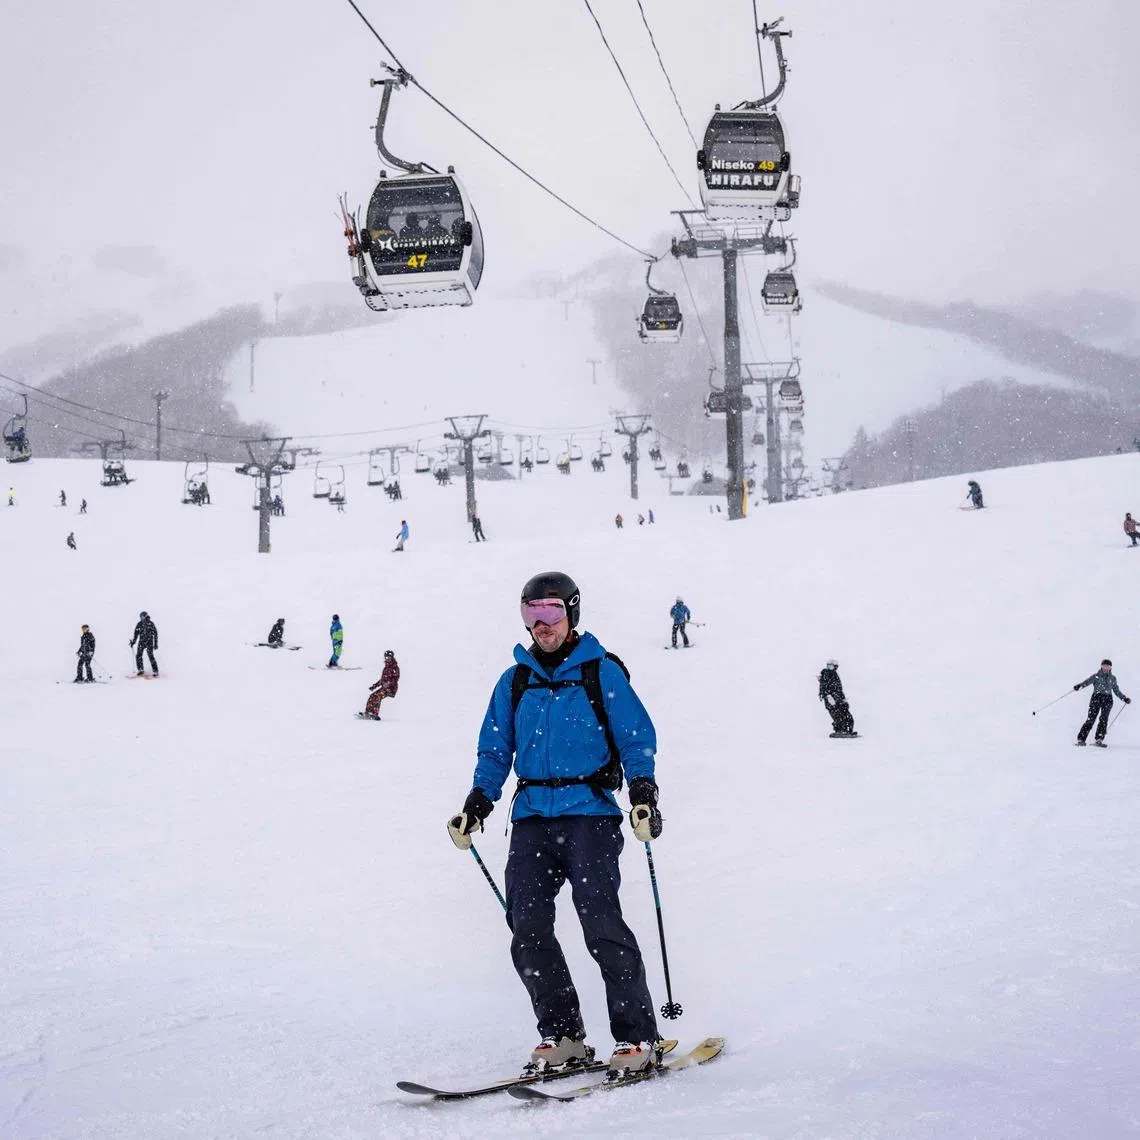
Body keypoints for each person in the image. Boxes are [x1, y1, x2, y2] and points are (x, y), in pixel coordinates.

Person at [447, 571, 664, 1077]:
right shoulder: (515, 680)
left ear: (572, 614)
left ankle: (637, 1037)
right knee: (526, 927)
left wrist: (644, 794)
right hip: (531, 820)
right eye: (531, 614)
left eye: (551, 613)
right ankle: (562, 1034)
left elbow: (636, 738)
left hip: (589, 814)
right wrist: (477, 804)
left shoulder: (601, 672)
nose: (541, 625)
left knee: (600, 921)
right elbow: (495, 749)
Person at [1074, 659, 1130, 747]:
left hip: (1108, 699)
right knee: (1091, 718)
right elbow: (1087, 682)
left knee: (1104, 719)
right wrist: (1079, 686)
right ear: (1101, 666)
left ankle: (1099, 739)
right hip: (1096, 698)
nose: (1106, 668)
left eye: (1108, 666)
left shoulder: (1112, 678)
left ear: (1110, 668)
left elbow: (1116, 690)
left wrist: (1124, 698)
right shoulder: (1096, 676)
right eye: (1104, 666)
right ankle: (1081, 739)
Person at [819, 660, 856, 736]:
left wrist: (843, 699)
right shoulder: (825, 674)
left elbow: (839, 689)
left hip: (838, 699)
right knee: (837, 716)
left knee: (847, 714)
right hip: (831, 701)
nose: (829, 668)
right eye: (828, 666)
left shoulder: (835, 675)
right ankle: (840, 730)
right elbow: (823, 688)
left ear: (836, 667)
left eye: (831, 666)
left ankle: (848, 730)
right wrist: (828, 696)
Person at [363, 650, 400, 719]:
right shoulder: (386, 668)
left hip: (391, 689)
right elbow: (382, 680)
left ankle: (374, 713)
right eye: (386, 657)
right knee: (372, 696)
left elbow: (395, 679)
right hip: (384, 688)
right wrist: (374, 686)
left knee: (378, 696)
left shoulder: (395, 667)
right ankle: (368, 712)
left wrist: (388, 683)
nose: (387, 659)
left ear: (392, 658)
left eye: (389, 657)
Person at [130, 611, 159, 676]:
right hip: (141, 642)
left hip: (149, 642)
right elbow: (136, 634)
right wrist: (133, 642)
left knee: (151, 656)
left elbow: (155, 634)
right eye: (141, 617)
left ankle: (155, 671)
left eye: (143, 617)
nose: (142, 618)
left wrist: (155, 644)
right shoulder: (139, 624)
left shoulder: (151, 624)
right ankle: (140, 670)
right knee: (138, 655)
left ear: (146, 616)